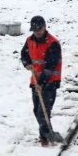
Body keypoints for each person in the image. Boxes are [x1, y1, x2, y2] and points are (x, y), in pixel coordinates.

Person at [20, 15, 62, 146]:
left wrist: (42, 84)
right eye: (34, 30)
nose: (36, 32)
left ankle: (45, 136)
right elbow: (24, 55)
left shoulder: (52, 43)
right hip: (35, 82)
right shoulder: (30, 40)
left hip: (50, 83)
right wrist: (26, 63)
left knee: (43, 112)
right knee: (37, 110)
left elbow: (50, 66)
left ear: (44, 27)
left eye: (39, 29)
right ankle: (46, 134)